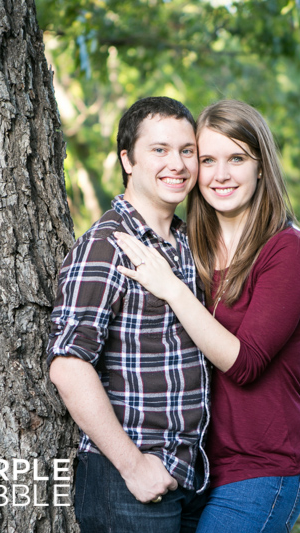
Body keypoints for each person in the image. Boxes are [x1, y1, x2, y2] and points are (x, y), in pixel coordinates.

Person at [115, 99, 300, 532]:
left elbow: (243, 364)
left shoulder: (288, 249)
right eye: (207, 159)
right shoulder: (191, 249)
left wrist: (172, 289)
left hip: (264, 466)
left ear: (261, 166)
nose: (221, 174)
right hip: (195, 468)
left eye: (237, 159)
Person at [46, 96, 211, 533]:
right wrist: (133, 464)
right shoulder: (107, 246)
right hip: (127, 481)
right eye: (159, 150)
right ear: (128, 159)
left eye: (186, 151)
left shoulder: (186, 242)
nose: (176, 163)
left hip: (187, 473)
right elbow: (68, 365)